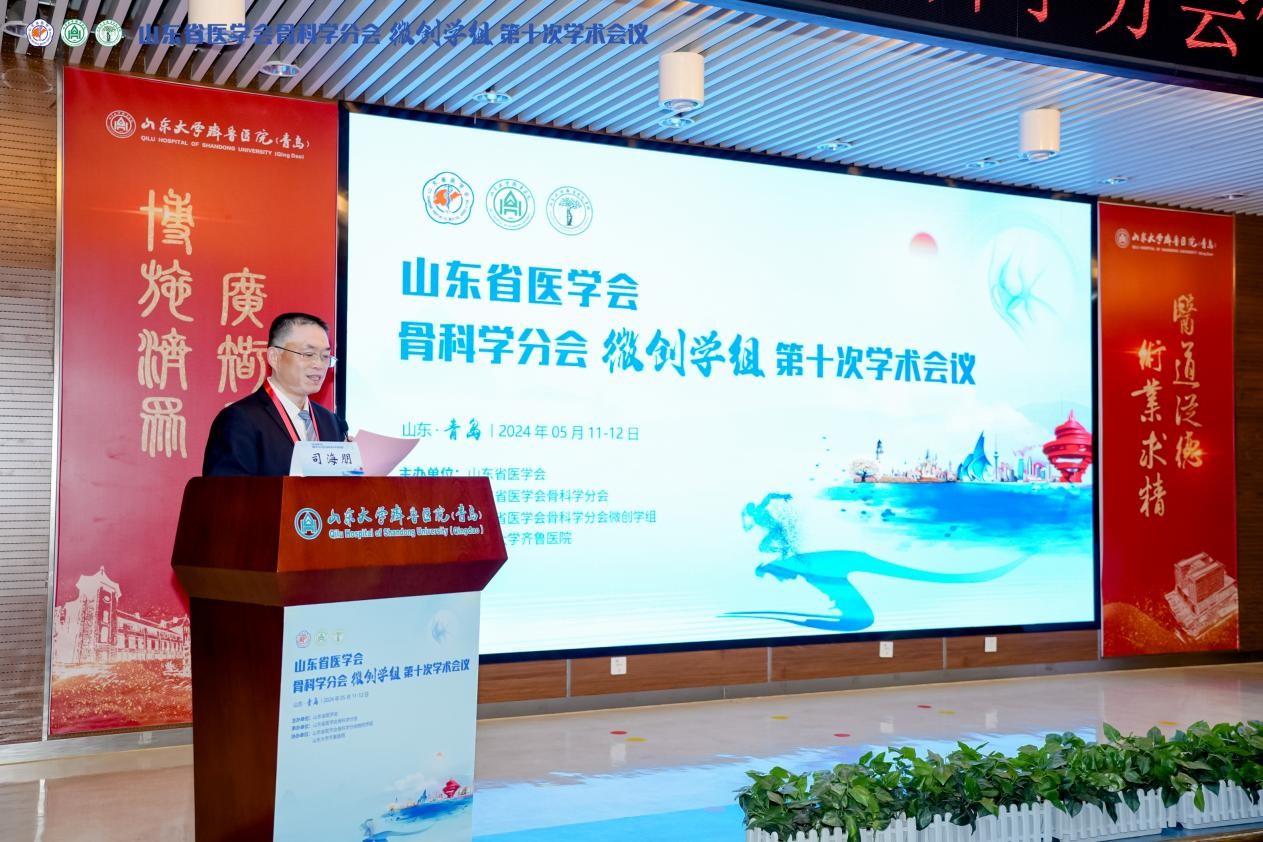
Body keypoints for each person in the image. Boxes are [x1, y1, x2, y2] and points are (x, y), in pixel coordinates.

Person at [202, 312, 349, 476]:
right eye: (308, 354)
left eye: (325, 356)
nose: (319, 365)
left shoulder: (331, 422)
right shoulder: (240, 420)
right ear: (274, 357)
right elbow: (227, 490)